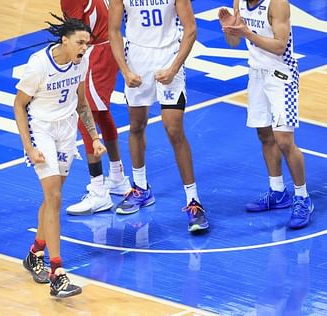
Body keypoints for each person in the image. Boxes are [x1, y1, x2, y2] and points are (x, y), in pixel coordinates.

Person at [13, 14, 106, 298]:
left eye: (87, 44)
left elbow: (81, 101)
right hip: (41, 130)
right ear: (64, 40)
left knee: (52, 197)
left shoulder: (82, 61)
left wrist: (94, 137)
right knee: (54, 198)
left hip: (66, 132)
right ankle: (57, 272)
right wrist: (29, 147)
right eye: (80, 43)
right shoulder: (39, 65)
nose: (84, 48)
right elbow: (19, 105)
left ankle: (35, 253)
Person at [108, 0, 209, 232]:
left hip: (168, 57)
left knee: (173, 128)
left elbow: (191, 28)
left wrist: (174, 68)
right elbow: (113, 30)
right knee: (136, 125)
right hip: (136, 59)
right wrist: (124, 70)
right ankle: (141, 188)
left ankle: (194, 201)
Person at [219, 0, 314, 228]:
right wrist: (230, 29)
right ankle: (278, 191)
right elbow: (234, 42)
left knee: (284, 140)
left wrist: (247, 33)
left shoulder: (278, 3)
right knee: (265, 135)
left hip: (282, 76)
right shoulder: (239, 1)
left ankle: (302, 197)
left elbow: (280, 46)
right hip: (257, 74)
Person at [61, 0, 132, 216]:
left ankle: (99, 191)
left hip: (96, 55)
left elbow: (74, 35)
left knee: (85, 117)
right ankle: (118, 178)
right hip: (109, 49)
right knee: (101, 113)